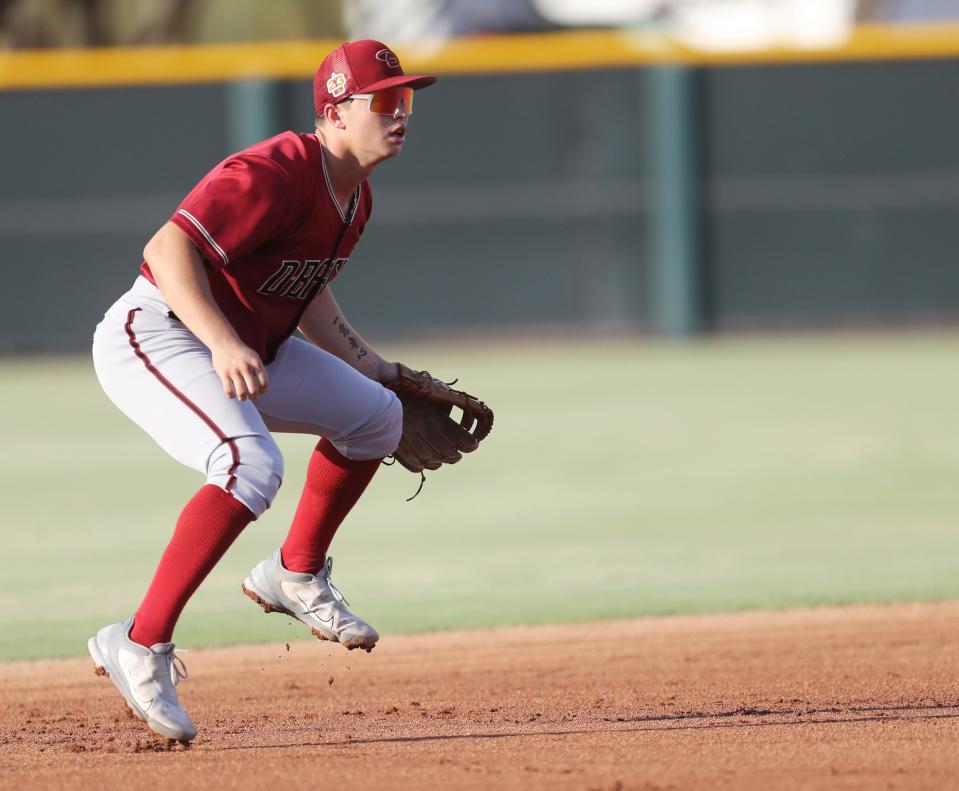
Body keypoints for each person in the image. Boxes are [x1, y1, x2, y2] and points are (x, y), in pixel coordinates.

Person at [87, 40, 436, 743]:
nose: (401, 114)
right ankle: (138, 640)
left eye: (406, 101)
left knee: (377, 419)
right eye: (385, 102)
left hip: (250, 347)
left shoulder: (354, 195)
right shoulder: (273, 170)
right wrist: (219, 340)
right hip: (156, 333)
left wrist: (377, 367)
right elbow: (166, 249)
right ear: (334, 113)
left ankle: (294, 573)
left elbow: (307, 295)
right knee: (249, 465)